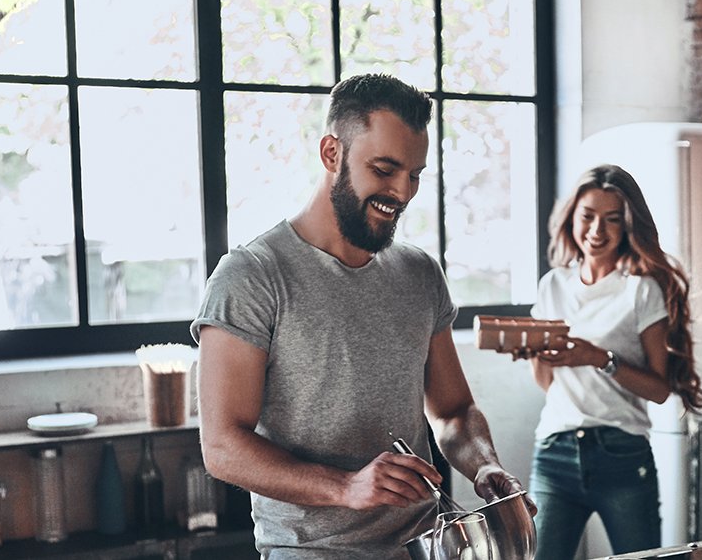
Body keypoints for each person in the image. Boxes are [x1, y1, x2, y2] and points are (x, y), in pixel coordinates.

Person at [190, 73, 529, 560]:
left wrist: (485, 465)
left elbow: (453, 411)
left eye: (415, 174)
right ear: (332, 153)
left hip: (425, 547)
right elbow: (223, 448)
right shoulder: (252, 276)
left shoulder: (420, 273)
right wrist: (346, 486)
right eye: (385, 169)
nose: (403, 192)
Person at [499, 164, 702, 559]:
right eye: (588, 216)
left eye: (612, 219)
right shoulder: (553, 285)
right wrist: (534, 354)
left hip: (622, 455)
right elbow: (548, 383)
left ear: (628, 226)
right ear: (572, 218)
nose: (597, 230)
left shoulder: (641, 290)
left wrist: (598, 358)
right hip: (556, 451)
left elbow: (660, 390)